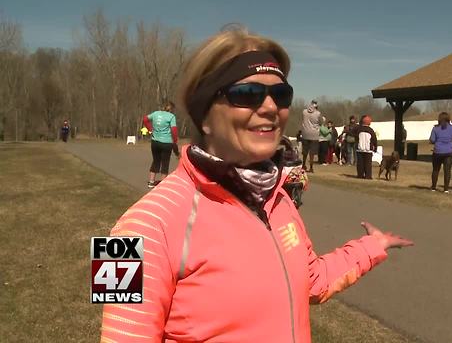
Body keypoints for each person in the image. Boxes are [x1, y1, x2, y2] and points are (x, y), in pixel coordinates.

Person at [100, 29, 413, 343]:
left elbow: (312, 280)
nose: (270, 108)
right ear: (204, 115)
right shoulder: (135, 228)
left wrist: (372, 247)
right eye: (247, 93)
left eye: (281, 95)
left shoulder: (278, 199)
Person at [143, 101, 179, 188]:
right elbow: (174, 130)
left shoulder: (156, 113)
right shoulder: (171, 117)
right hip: (166, 142)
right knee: (165, 163)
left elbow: (145, 119)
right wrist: (175, 140)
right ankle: (162, 184)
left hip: (155, 141)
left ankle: (151, 181)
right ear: (171, 109)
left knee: (156, 161)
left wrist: (150, 129)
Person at [429, 112, 452, 193]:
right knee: (447, 171)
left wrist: (437, 142)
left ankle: (433, 187)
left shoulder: (435, 128)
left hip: (437, 151)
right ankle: (446, 189)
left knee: (435, 170)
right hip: (449, 151)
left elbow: (432, 140)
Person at [301, 100, 321, 172]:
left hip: (305, 133)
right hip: (314, 134)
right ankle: (311, 167)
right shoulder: (318, 113)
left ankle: (303, 165)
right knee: (312, 152)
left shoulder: (304, 112)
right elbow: (320, 122)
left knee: (305, 151)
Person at [355, 115, 377, 179]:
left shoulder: (359, 129)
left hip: (360, 149)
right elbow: (374, 140)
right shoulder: (371, 130)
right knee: (368, 164)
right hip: (368, 150)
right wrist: (375, 148)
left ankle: (360, 175)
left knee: (360, 164)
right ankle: (368, 176)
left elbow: (356, 138)